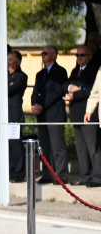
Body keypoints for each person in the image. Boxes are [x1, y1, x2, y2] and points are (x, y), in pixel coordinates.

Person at [31, 45, 68, 184]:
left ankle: (61, 175)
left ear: (54, 55)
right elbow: (35, 92)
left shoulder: (60, 72)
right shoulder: (40, 74)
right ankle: (48, 174)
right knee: (45, 146)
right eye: (42, 53)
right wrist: (35, 105)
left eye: (46, 53)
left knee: (57, 146)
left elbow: (57, 92)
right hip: (42, 116)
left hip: (54, 114)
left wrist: (42, 106)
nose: (43, 55)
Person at [66, 45, 100, 186]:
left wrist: (76, 92)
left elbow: (93, 92)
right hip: (76, 114)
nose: (79, 58)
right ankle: (85, 176)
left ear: (90, 57)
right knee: (81, 149)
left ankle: (97, 177)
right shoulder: (75, 70)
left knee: (93, 148)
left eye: (82, 55)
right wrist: (69, 88)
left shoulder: (95, 70)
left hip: (89, 115)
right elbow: (65, 84)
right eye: (77, 55)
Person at [6, 50, 28, 182]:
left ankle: (18, 173)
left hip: (14, 115)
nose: (7, 61)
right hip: (3, 116)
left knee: (16, 146)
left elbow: (9, 90)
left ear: (18, 62)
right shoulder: (4, 75)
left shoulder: (21, 76)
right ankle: (8, 170)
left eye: (10, 59)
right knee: (6, 146)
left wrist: (8, 86)